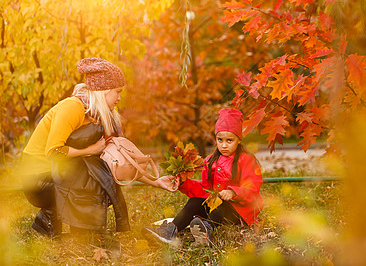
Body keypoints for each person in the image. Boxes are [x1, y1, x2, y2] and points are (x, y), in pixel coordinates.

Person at [20, 58, 176, 237]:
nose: (119, 98)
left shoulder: (100, 116)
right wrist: (90, 150)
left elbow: (119, 160)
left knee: (103, 175)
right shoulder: (73, 107)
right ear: (103, 91)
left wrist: (155, 181)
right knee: (94, 176)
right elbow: (53, 152)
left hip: (58, 175)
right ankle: (54, 218)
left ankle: (75, 226)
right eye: (117, 92)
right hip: (36, 180)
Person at [141, 108, 264, 246]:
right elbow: (204, 189)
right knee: (194, 202)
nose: (224, 145)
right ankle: (169, 232)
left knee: (221, 206)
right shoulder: (210, 160)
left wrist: (233, 192)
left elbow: (252, 186)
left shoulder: (246, 160)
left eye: (229, 140)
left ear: (239, 140)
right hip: (215, 207)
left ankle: (206, 230)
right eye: (220, 140)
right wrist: (183, 183)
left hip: (239, 211)